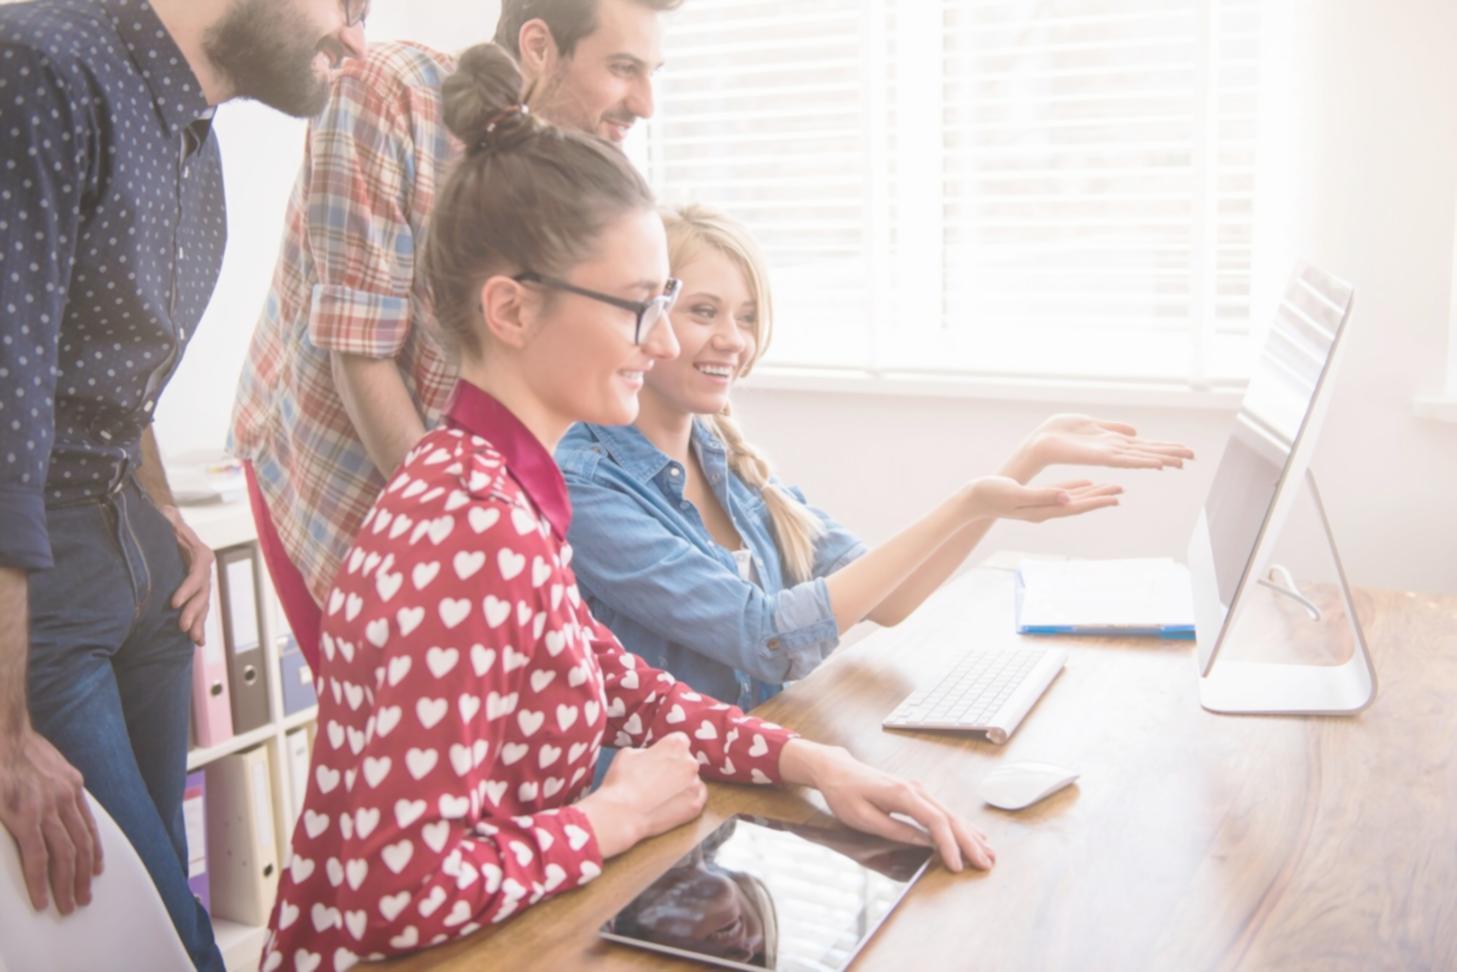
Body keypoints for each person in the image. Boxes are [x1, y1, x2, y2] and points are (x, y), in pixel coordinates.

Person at [263, 45, 994, 971]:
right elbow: (391, 894)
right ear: (511, 311)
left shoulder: (495, 485)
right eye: (637, 307)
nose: (662, 344)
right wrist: (609, 819)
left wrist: (812, 763)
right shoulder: (469, 527)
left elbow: (620, 686)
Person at [0, 0, 365, 967]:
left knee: (160, 910)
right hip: (40, 590)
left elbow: (107, 367)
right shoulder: (37, 66)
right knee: (157, 936)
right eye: (349, 4)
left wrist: (158, 507)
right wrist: (3, 737)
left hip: (137, 559)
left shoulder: (190, 136)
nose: (354, 37)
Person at [557, 204, 1196, 710]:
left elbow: (890, 599)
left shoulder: (726, 460)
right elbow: (767, 638)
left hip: (761, 762)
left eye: (747, 317)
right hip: (669, 796)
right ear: (648, 316)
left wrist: (1024, 462)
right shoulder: (585, 485)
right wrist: (968, 502)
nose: (733, 340)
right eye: (704, 312)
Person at [228, 0, 679, 674]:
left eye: (652, 73)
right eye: (622, 69)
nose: (644, 103)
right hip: (338, 464)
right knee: (393, 710)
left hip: (469, 490)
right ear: (538, 46)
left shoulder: (574, 166)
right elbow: (361, 353)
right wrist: (460, 535)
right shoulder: (388, 92)